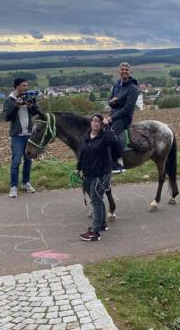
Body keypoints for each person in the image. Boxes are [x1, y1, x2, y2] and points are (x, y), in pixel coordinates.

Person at [76, 113, 122, 241]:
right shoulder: (87, 137)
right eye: (93, 120)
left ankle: (95, 232)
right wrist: (78, 168)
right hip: (88, 174)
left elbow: (117, 146)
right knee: (97, 199)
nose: (95, 123)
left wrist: (108, 127)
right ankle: (102, 224)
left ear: (102, 124)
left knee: (96, 200)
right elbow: (82, 154)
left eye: (98, 121)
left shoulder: (106, 137)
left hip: (101, 174)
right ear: (90, 123)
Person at [3, 78, 43, 197]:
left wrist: (31, 105)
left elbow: (38, 112)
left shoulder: (29, 97)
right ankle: (13, 187)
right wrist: (17, 106)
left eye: (27, 85)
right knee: (16, 162)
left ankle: (26, 183)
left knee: (28, 160)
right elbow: (7, 117)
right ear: (16, 86)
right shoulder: (9, 100)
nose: (26, 87)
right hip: (17, 136)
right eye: (23, 85)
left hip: (29, 134)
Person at [103, 62, 139, 174]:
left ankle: (119, 163)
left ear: (130, 72)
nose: (124, 71)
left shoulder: (133, 88)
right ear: (119, 71)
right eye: (122, 69)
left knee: (111, 134)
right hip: (113, 115)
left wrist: (111, 118)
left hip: (124, 118)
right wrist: (113, 102)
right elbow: (110, 102)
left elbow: (128, 108)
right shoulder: (116, 85)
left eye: (126, 69)